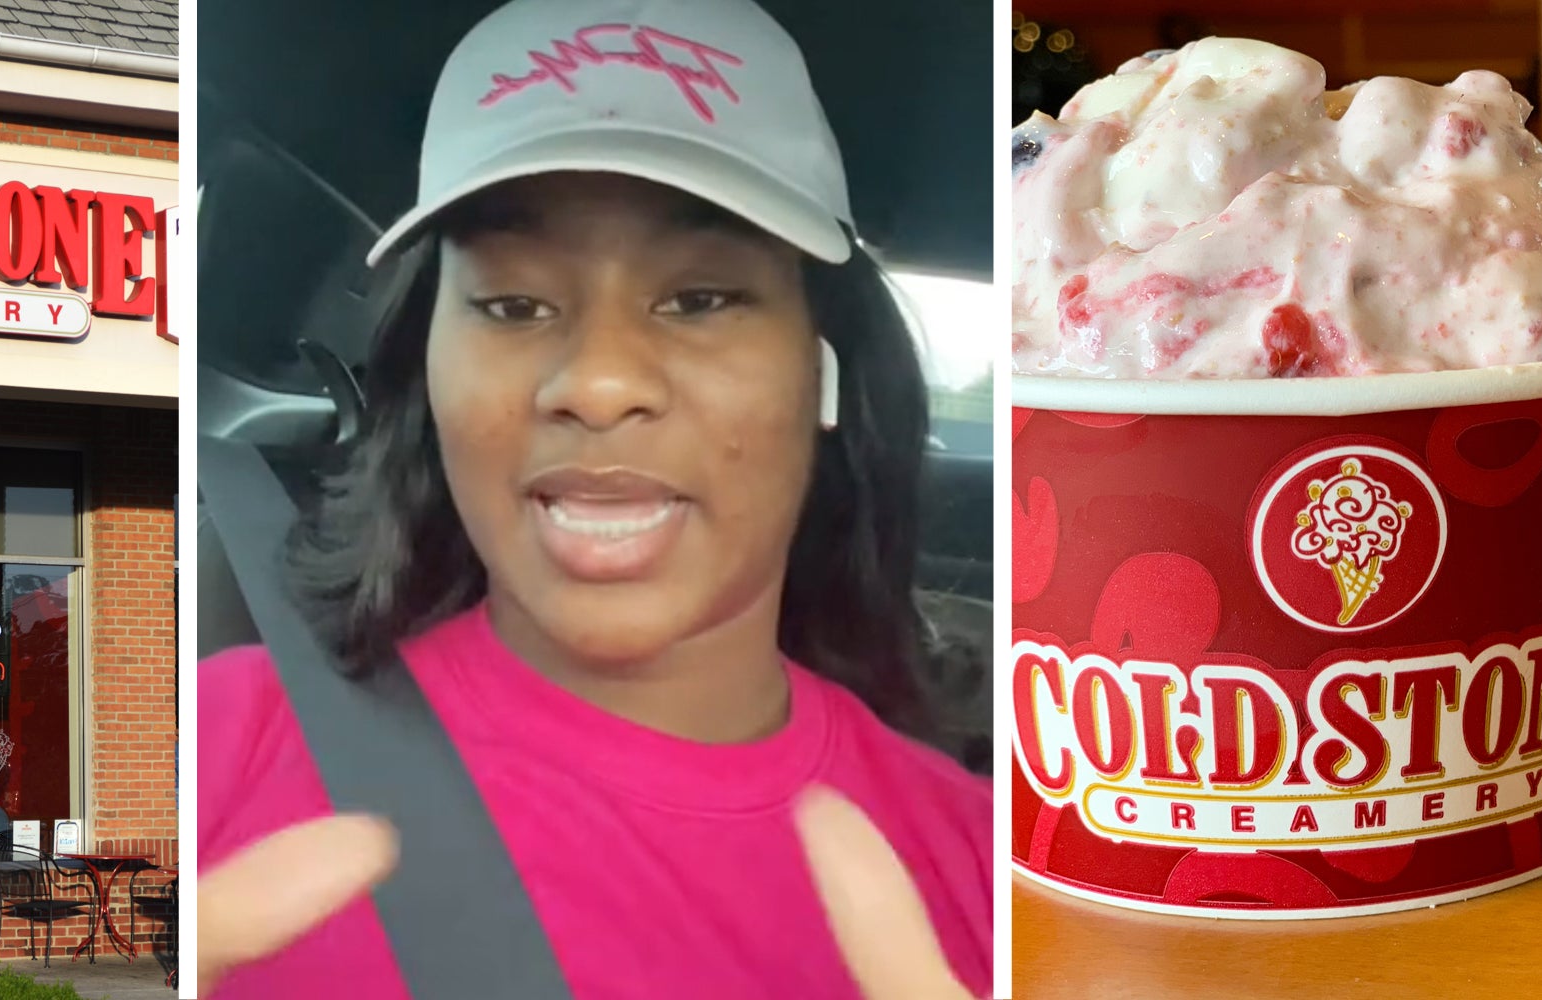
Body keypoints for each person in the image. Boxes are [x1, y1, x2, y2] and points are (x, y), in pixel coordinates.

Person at [199, 0, 991, 996]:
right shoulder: (218, 747)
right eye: (513, 303)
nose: (599, 382)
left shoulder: (988, 872)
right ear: (425, 378)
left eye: (699, 298)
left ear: (825, 370)